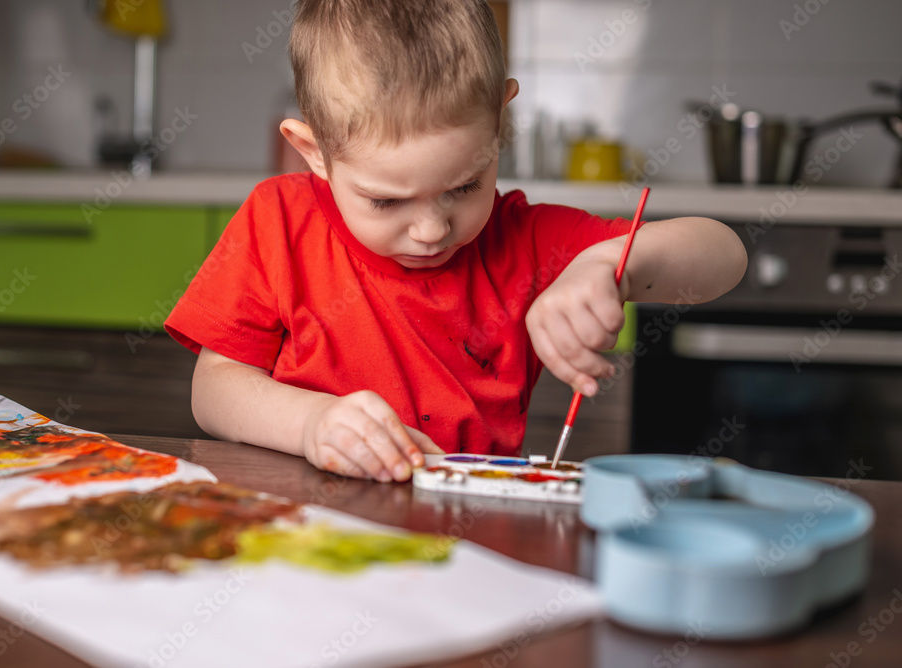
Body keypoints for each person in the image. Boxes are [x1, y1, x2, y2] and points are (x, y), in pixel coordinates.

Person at [165, 0, 747, 484]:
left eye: (465, 186)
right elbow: (213, 393)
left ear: (500, 123)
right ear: (315, 152)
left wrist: (606, 263)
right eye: (387, 201)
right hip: (299, 538)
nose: (432, 230)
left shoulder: (526, 238)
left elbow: (725, 254)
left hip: (468, 539)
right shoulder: (278, 222)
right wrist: (312, 422)